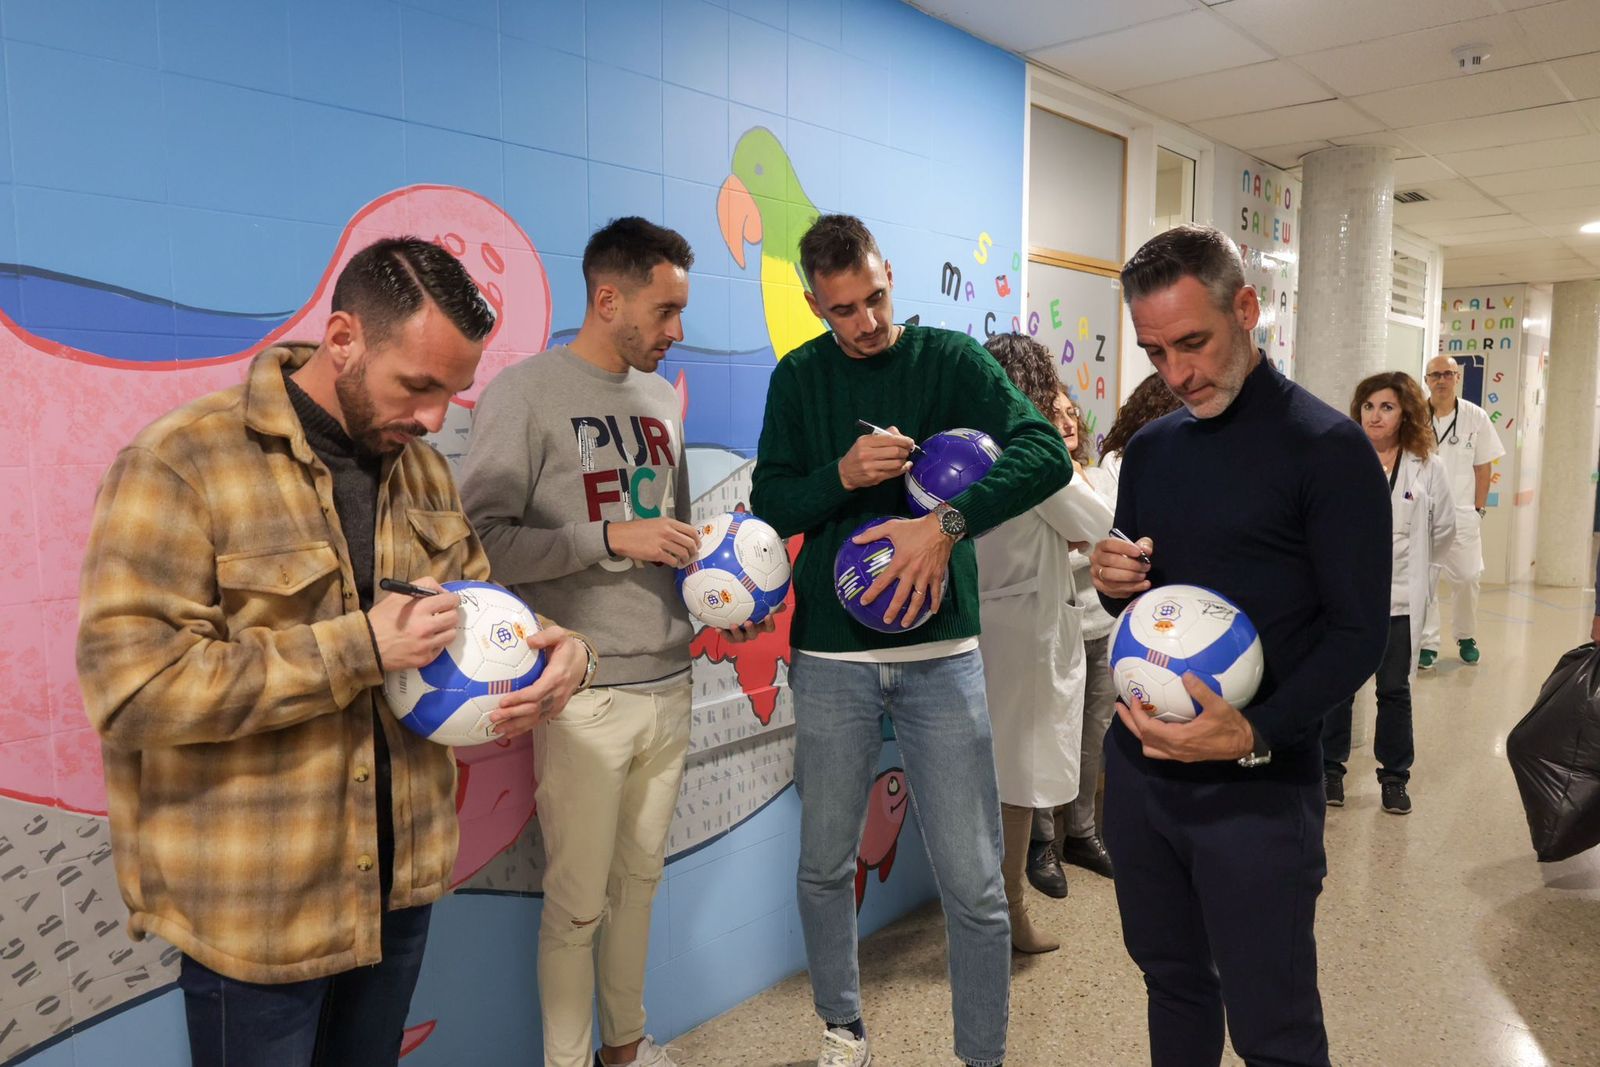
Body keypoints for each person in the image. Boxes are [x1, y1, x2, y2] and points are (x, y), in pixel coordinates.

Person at [76, 237, 594, 1067]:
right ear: (344, 339)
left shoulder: (421, 472)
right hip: (258, 911)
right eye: (417, 386)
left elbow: (481, 613)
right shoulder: (180, 462)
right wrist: (358, 646)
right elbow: (133, 689)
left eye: (452, 396)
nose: (432, 421)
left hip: (399, 886)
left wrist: (556, 653)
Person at [751, 215, 1071, 1067]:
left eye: (876, 297)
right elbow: (773, 503)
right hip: (831, 661)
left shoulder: (951, 363)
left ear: (889, 274)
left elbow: (1046, 455)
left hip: (942, 660)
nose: (866, 322)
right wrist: (842, 477)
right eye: (843, 310)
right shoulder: (799, 379)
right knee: (825, 863)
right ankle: (842, 1029)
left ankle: (982, 1056)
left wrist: (949, 525)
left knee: (975, 884)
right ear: (817, 305)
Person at [460, 218, 774, 1067]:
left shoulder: (658, 402)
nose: (678, 331)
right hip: (582, 692)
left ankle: (626, 1050)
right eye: (666, 309)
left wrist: (719, 601)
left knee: (640, 884)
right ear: (609, 298)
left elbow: (667, 543)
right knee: (576, 906)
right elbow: (479, 546)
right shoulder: (523, 395)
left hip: (670, 681)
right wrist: (609, 537)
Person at [1089, 224, 1390, 1067]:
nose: (1177, 375)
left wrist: (1256, 734)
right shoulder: (1151, 450)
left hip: (1257, 792)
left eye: (1194, 342)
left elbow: (1359, 633)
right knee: (1173, 985)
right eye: (1155, 352)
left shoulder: (1329, 451)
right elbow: (1151, 599)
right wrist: (1115, 578)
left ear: (1247, 310)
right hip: (1143, 778)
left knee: (1274, 1026)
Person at [976, 333, 1113, 953]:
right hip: (1027, 637)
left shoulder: (967, 444)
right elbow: (1096, 523)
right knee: (1017, 784)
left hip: (981, 632)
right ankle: (1008, 915)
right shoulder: (1034, 454)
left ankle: (992, 914)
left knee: (990, 780)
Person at [1030, 372, 1184, 896]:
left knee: (1092, 738)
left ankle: (1082, 832)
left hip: (1106, 626)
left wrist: (1089, 549)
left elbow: (1112, 544)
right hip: (1059, 628)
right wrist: (1089, 550)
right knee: (1051, 736)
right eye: (1056, 413)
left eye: (1072, 412)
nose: (1068, 420)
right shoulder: (1040, 478)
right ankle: (1041, 842)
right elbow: (1075, 550)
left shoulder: (1096, 475)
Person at [1322, 373, 1455, 815]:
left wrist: (1415, 572)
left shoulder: (1426, 465)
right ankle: (1330, 771)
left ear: (1405, 415)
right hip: (1347, 598)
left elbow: (1443, 531)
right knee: (1339, 687)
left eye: (1387, 407)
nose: (1375, 416)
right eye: (1368, 406)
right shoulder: (1340, 458)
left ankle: (1395, 777)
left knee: (1394, 690)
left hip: (1398, 599)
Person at [1418, 354, 1505, 667]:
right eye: (1435, 375)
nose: (1441, 380)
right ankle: (1427, 644)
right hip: (1422, 514)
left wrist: (1477, 509)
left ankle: (1466, 635)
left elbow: (1483, 468)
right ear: (1426, 380)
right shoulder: (1414, 416)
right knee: (1425, 579)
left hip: (1462, 513)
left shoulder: (1475, 416)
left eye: (1448, 374)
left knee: (1468, 577)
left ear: (1457, 379)